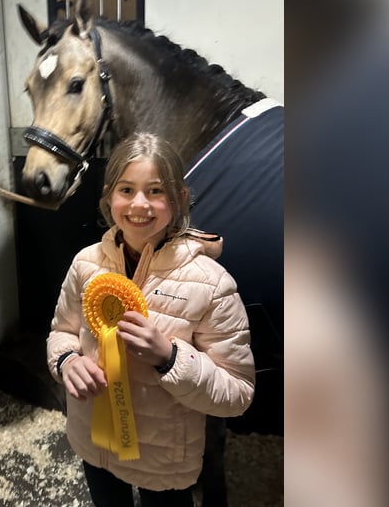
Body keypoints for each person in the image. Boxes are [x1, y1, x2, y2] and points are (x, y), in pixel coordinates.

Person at [47, 132, 255, 507]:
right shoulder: (85, 264)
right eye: (127, 189)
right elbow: (61, 331)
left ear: (179, 199)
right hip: (95, 443)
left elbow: (238, 393)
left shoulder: (211, 285)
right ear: (108, 196)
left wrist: (170, 358)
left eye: (155, 191)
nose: (139, 204)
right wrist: (67, 361)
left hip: (165, 463)